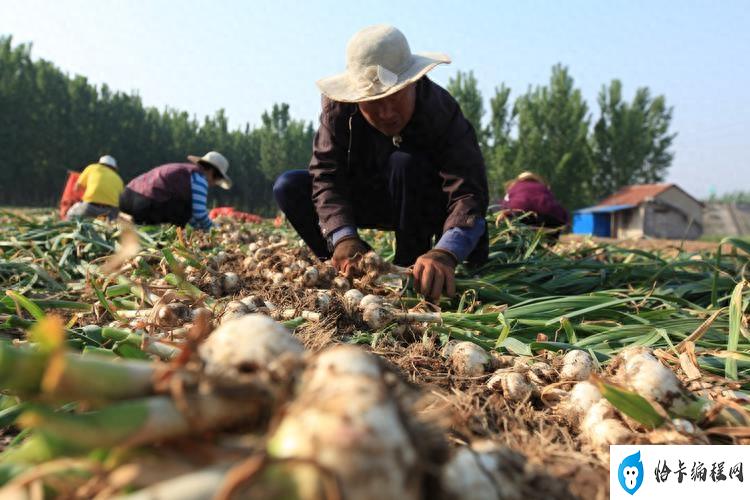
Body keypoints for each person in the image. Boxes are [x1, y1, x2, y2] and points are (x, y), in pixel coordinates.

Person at [273, 25, 488, 302]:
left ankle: (413, 269)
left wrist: (444, 253)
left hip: (426, 203)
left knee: (405, 163)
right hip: (371, 196)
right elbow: (326, 175)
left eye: (395, 98)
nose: (386, 113)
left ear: (411, 84)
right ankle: (350, 269)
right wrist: (343, 237)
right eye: (373, 103)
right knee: (289, 186)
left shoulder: (441, 111)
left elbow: (468, 192)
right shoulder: (338, 111)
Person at [119, 151, 231, 229]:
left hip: (128, 196)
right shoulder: (200, 178)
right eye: (217, 179)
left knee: (185, 206)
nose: (214, 184)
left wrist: (197, 227)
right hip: (145, 202)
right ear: (212, 172)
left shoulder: (186, 170)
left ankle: (138, 222)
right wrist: (213, 229)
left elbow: (194, 216)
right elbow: (199, 214)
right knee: (184, 208)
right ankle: (141, 222)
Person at [498, 172, 569, 230]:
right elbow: (553, 202)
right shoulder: (542, 187)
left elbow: (505, 205)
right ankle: (551, 240)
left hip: (520, 216)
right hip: (547, 217)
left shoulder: (514, 187)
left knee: (508, 218)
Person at [66, 155, 124, 221]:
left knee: (71, 215)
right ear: (114, 168)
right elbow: (121, 201)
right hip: (110, 213)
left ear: (100, 163)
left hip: (89, 208)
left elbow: (77, 187)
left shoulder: (92, 168)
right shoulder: (118, 179)